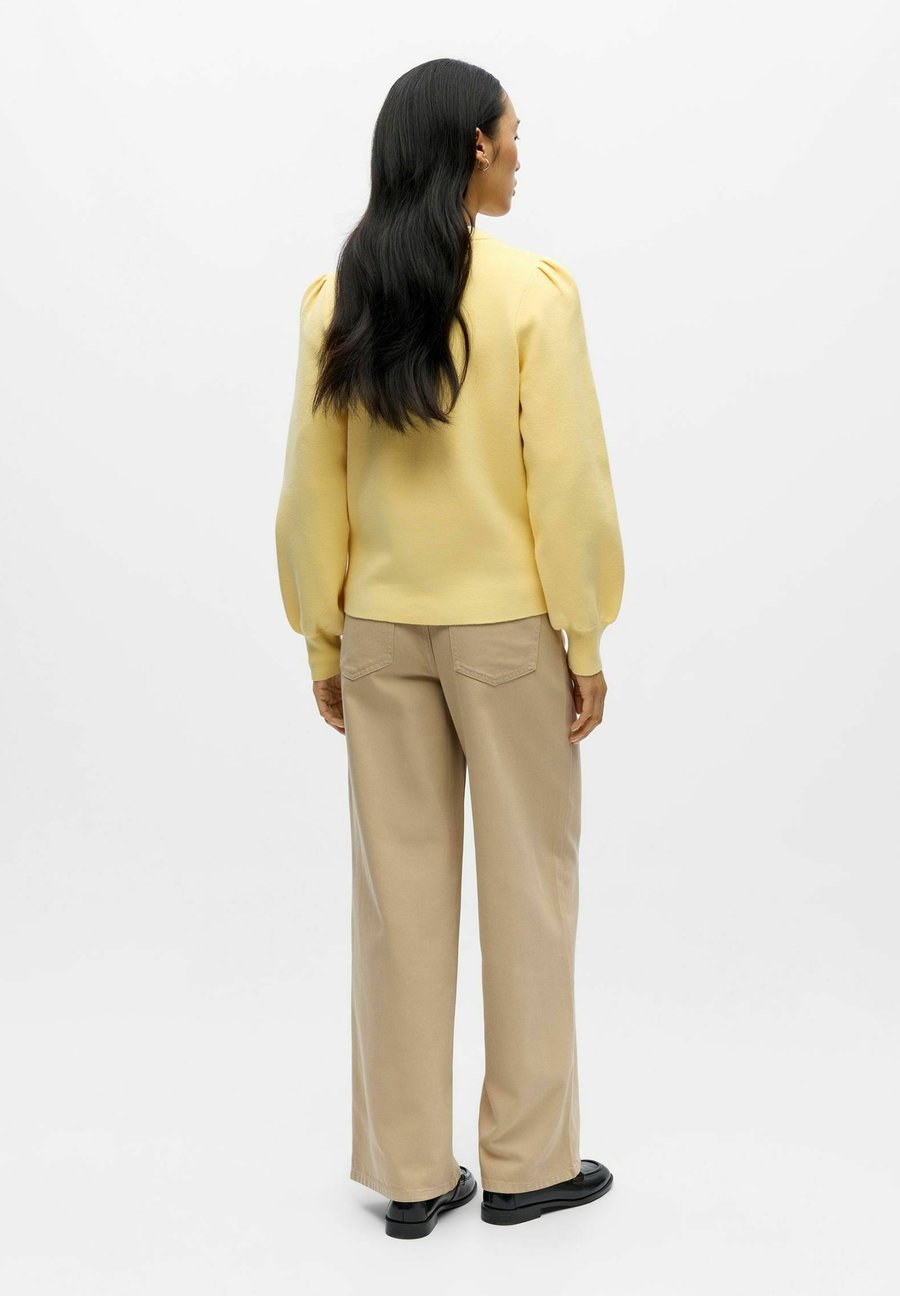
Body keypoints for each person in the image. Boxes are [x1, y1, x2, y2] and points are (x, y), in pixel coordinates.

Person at [275, 58, 625, 1239]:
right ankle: (528, 1163)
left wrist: (323, 637)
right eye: (513, 135)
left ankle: (413, 1175)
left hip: (380, 632)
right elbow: (565, 483)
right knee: (530, 889)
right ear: (474, 146)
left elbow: (310, 491)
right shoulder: (532, 295)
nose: (522, 154)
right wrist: (585, 633)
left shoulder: (339, 298)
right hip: (507, 635)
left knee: (398, 902)